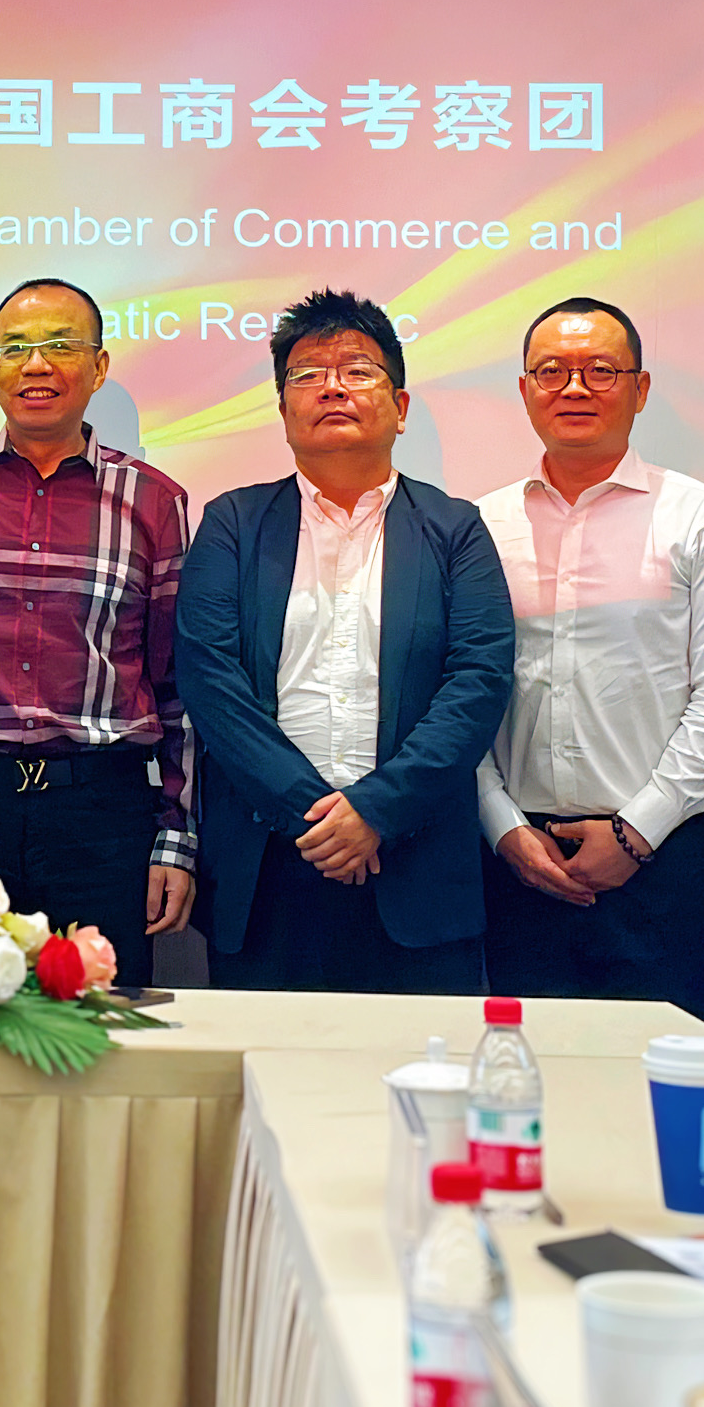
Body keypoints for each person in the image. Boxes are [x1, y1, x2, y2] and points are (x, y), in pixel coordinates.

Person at [172, 289, 514, 995]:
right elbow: (211, 682)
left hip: (415, 867)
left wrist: (376, 811)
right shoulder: (233, 523)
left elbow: (478, 681)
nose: (332, 388)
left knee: (423, 1065)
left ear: (400, 406)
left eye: (357, 371)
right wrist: (317, 815)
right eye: (307, 374)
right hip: (268, 868)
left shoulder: (455, 528)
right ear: (282, 409)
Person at [473, 294, 704, 1022]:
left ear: (641, 388)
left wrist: (636, 833)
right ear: (525, 390)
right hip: (516, 862)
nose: (575, 387)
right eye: (552, 371)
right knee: (525, 1071)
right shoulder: (480, 526)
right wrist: (502, 826)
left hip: (662, 861)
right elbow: (459, 696)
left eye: (600, 370)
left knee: (653, 1073)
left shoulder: (702, 518)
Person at [0, 278, 197, 981]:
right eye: (15, 348)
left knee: (101, 1025)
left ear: (99, 367)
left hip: (103, 815)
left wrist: (175, 835)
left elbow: (177, 684)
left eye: (61, 345)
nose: (36, 364)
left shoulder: (152, 500)